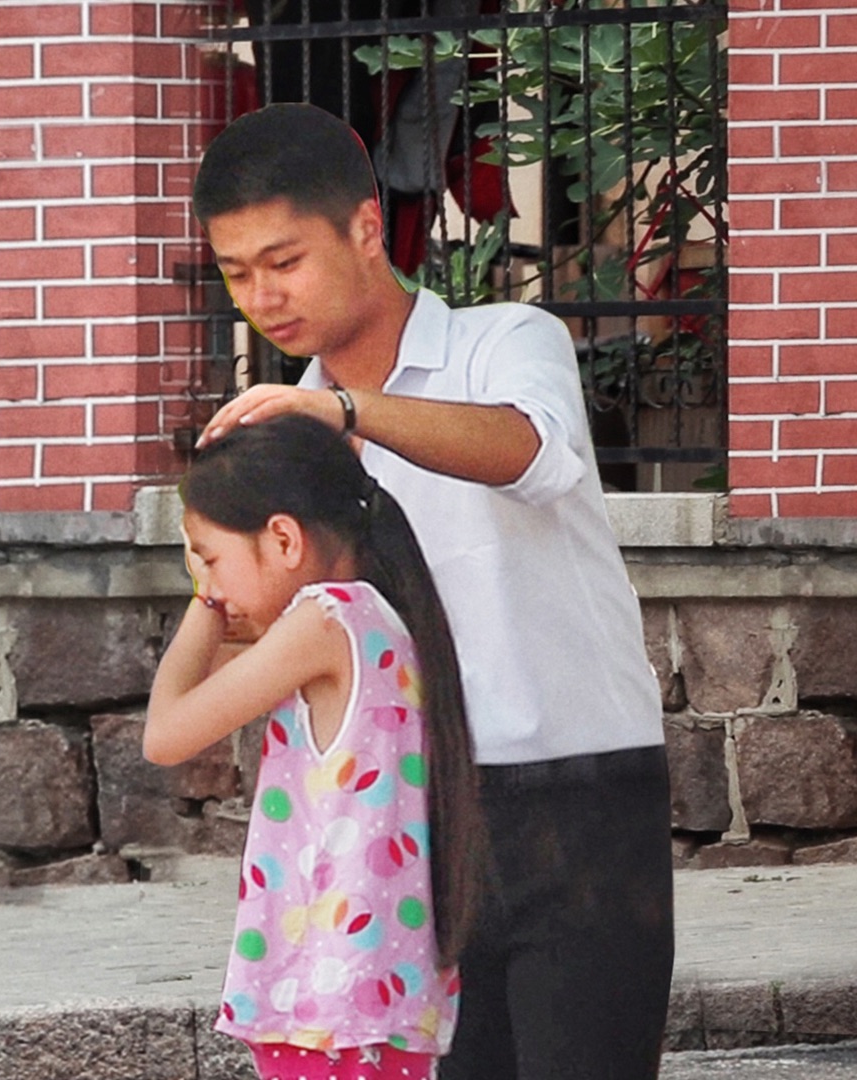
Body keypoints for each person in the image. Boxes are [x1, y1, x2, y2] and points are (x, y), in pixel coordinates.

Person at [192, 103, 673, 1080]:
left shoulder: (508, 340)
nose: (262, 297)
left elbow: (529, 451)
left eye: (284, 261)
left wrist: (346, 412)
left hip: (579, 794)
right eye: (237, 274)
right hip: (403, 821)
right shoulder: (280, 432)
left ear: (367, 228)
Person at [146, 415, 485, 1080]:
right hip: (368, 992)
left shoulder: (326, 619)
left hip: (332, 999)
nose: (209, 583)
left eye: (210, 558)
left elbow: (166, 733)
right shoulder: (377, 615)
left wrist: (205, 608)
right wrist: (224, 581)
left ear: (283, 538)